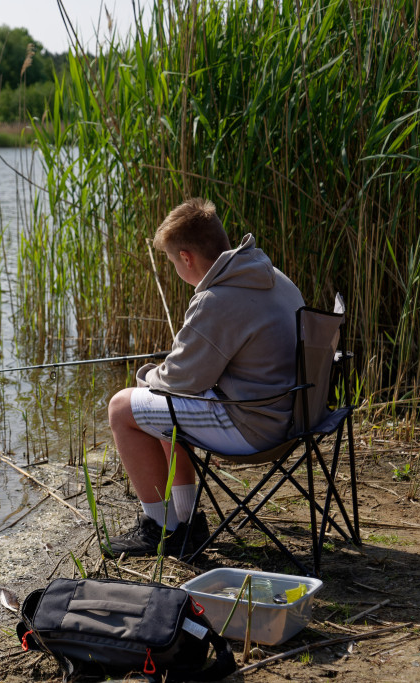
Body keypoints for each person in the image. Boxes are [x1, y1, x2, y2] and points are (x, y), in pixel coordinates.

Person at [104, 197, 305, 557]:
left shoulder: (217, 299)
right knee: (161, 408)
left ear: (186, 258)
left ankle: (161, 529)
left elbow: (179, 382)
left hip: (256, 425)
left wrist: (147, 376)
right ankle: (185, 522)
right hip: (295, 415)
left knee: (122, 408)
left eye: (172, 262)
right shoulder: (273, 277)